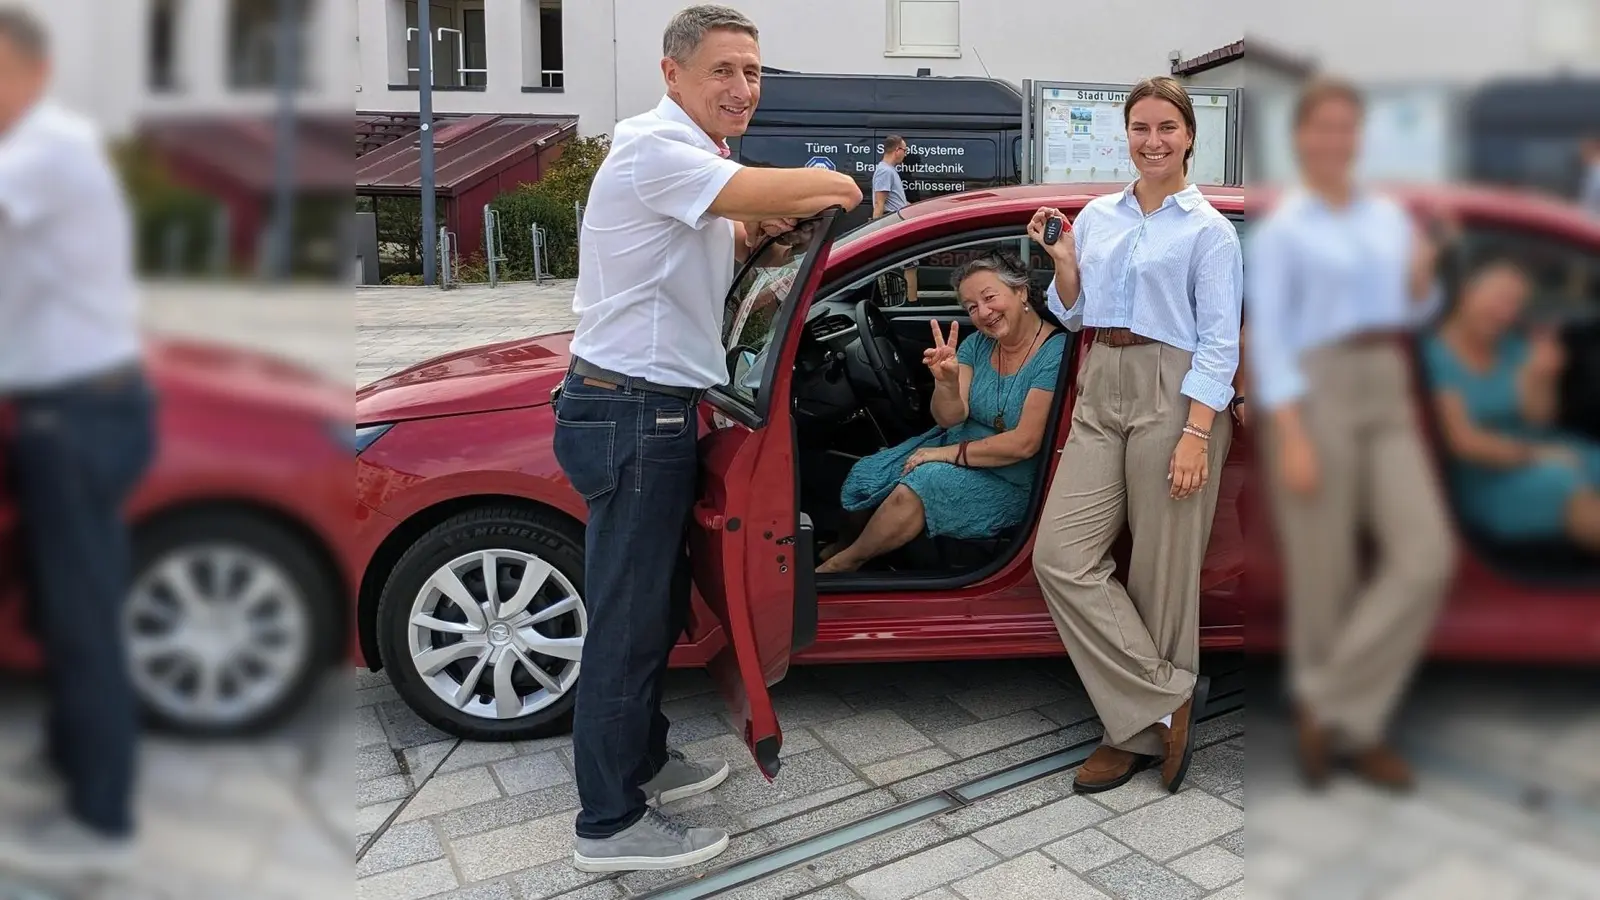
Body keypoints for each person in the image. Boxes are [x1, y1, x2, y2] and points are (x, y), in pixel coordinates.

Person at [553, 3, 860, 874]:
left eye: (754, 73)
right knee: (625, 615)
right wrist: (829, 185)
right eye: (723, 70)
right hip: (631, 412)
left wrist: (750, 228)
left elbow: (723, 232)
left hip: (650, 408)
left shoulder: (696, 161)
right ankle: (608, 825)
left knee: (650, 604)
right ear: (672, 73)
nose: (742, 88)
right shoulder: (658, 148)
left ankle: (643, 759)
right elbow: (801, 189)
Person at [1029, 75, 1243, 796]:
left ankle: (1129, 733)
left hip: (1174, 386)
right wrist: (1063, 269)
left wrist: (1195, 432)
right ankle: (1163, 699)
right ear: (1126, 134)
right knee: (1060, 556)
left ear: (1189, 137)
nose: (1152, 141)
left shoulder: (1209, 230)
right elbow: (1073, 314)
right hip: (1103, 378)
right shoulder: (1096, 217)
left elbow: (1219, 344)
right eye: (1140, 128)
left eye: (1166, 129)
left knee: (1161, 573)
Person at [1245, 76, 1456, 791]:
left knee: (1426, 553)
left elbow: (1415, 312)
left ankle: (1329, 702)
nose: (1336, 140)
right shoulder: (1285, 229)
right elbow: (1270, 336)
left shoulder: (1387, 219)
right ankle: (1351, 731)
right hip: (1316, 385)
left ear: (1358, 138)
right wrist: (1294, 432)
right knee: (1324, 573)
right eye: (1323, 127)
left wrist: (1424, 279)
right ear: (1302, 137)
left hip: (1384, 377)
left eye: (1347, 128)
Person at [0, 5, 155, 877]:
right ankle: (71, 760)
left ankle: (99, 819)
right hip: (64, 407)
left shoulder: (43, 151)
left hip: (79, 416)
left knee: (83, 613)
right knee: (63, 608)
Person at [818, 251, 1066, 573]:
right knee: (869, 472)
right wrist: (947, 383)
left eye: (990, 297)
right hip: (956, 442)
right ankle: (842, 546)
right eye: (971, 307)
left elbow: (1024, 444)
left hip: (1012, 477)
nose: (983, 313)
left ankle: (845, 564)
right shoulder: (977, 344)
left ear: (1020, 292)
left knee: (924, 482)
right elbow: (949, 418)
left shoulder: (1054, 351)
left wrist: (945, 454)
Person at [1426, 258, 1600, 553]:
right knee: (1561, 481)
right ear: (1467, 292)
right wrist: (1538, 454)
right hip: (1484, 475)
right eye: (1499, 298)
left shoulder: (1510, 345)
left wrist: (1541, 375)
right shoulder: (1436, 353)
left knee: (1591, 458)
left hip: (1534, 448)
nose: (1505, 313)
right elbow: (1463, 442)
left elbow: (1538, 417)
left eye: (1515, 304)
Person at [872, 135, 918, 303]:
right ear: (897, 150)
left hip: (896, 220)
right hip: (892, 222)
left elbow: (897, 200)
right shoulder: (885, 171)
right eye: (904, 150)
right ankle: (912, 303)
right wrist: (874, 231)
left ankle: (911, 301)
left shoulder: (890, 171)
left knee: (910, 264)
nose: (906, 154)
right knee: (910, 264)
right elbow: (879, 203)